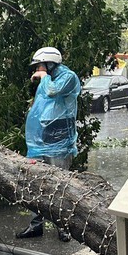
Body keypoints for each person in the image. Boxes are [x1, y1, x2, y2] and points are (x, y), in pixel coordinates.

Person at [16, 46, 81, 241]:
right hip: (42, 138)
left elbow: (54, 92)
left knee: (59, 185)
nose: (37, 70)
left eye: (40, 66)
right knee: (34, 183)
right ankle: (36, 225)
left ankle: (63, 227)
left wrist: (43, 77)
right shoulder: (48, 79)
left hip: (60, 140)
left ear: (50, 63)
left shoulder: (68, 77)